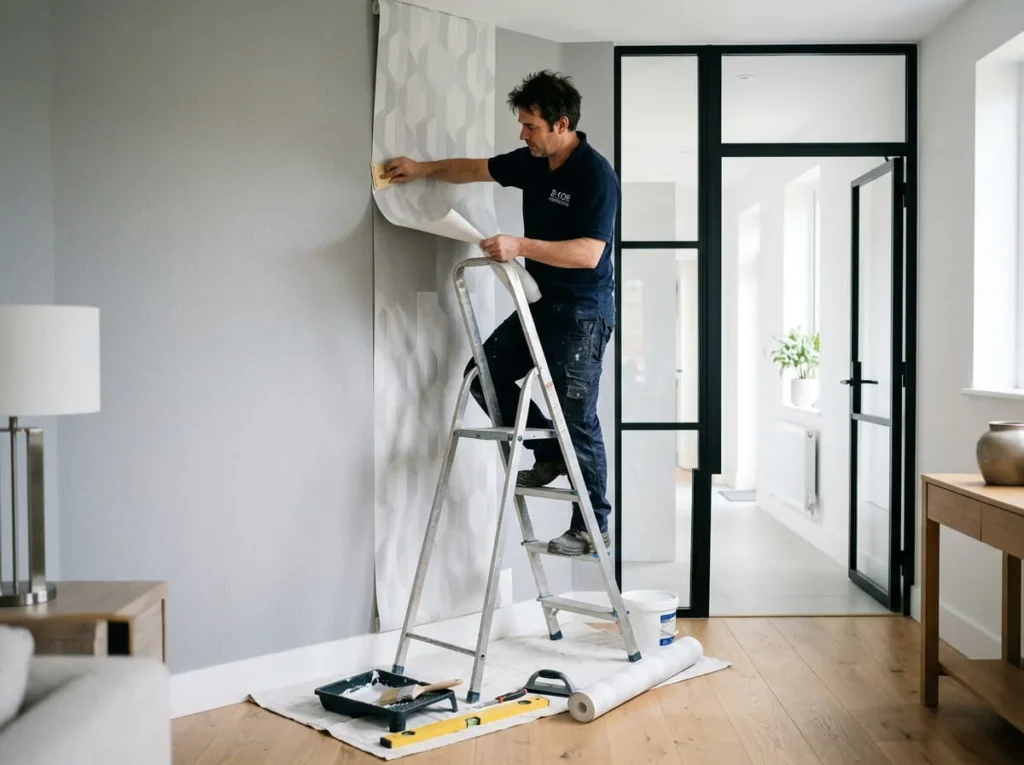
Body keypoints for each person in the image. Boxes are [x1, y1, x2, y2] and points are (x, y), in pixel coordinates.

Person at [382, 70, 617, 557]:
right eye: (522, 124)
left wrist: (521, 245)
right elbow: (473, 168)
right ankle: (549, 451)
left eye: (530, 126)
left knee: (577, 417)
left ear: (561, 124)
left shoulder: (595, 174)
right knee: (481, 373)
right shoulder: (534, 162)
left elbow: (589, 253)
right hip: (539, 301)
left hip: (581, 313)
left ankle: (593, 527)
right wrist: (420, 169)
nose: (522, 134)